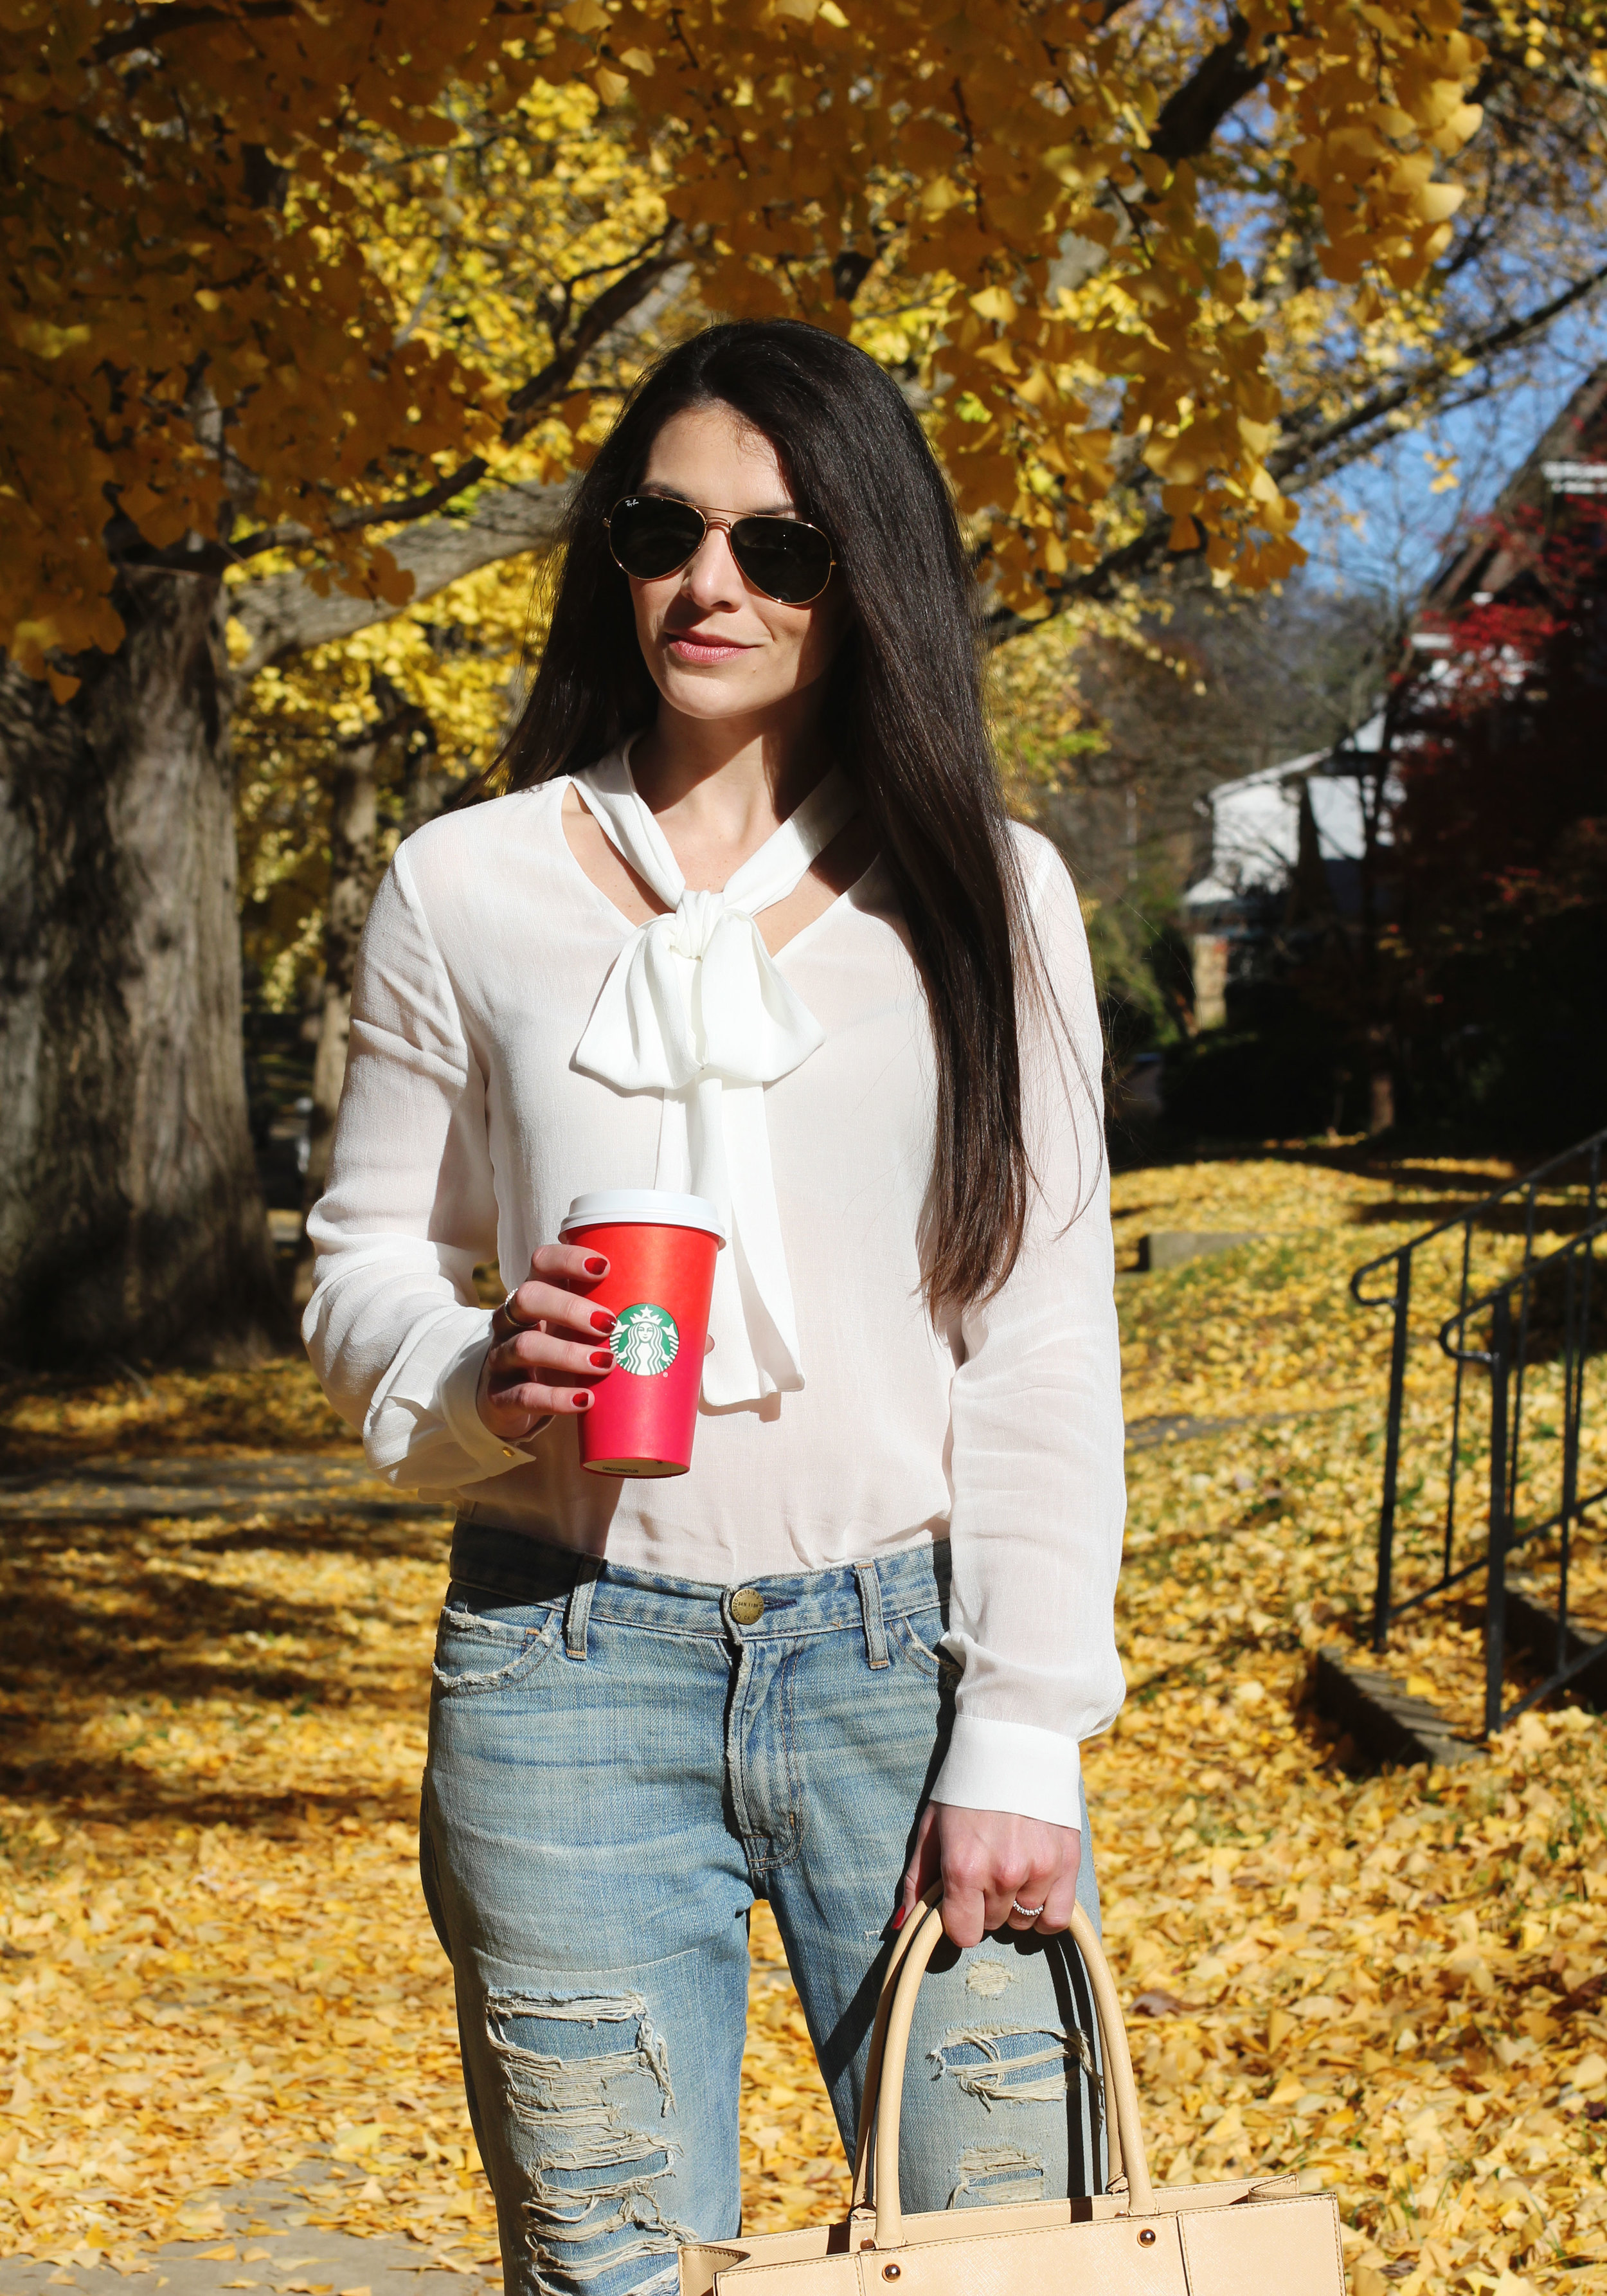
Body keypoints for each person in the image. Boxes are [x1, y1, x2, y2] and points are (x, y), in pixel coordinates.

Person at [303, 319, 1126, 2296]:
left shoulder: (985, 893)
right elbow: (360, 1264)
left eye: (781, 544)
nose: (713, 582)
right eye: (664, 528)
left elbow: (1036, 1321)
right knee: (607, 2278)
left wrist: (1022, 1724)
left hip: (903, 1662)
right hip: (563, 1672)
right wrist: (476, 1369)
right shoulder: (464, 882)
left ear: (869, 578)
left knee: (1014, 2259)